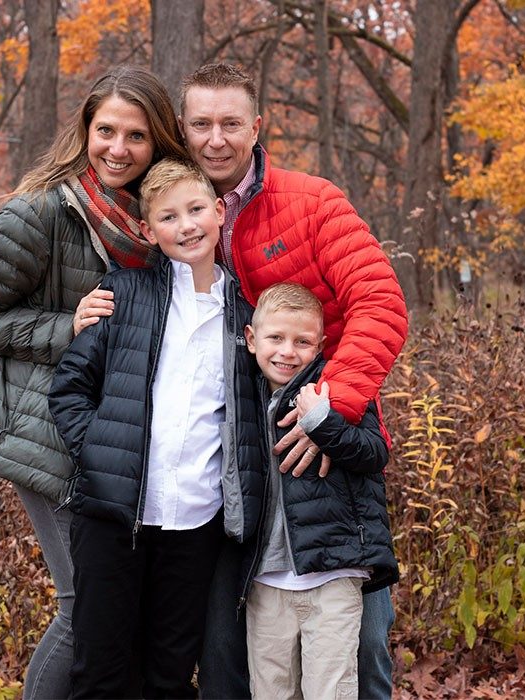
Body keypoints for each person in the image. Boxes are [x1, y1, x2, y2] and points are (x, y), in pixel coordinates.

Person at [74, 63, 408, 699]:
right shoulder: (167, 209)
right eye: (201, 123)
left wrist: (328, 410)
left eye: (232, 123)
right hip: (227, 469)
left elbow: (381, 303)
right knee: (224, 644)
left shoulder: (311, 203)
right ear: (183, 129)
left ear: (257, 127)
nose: (216, 138)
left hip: (326, 449)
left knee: (357, 641)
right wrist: (67, 320)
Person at [0, 66, 188, 699]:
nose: (117, 149)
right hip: (42, 430)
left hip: (113, 439)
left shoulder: (159, 219)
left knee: (119, 616)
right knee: (87, 612)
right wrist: (65, 326)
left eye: (136, 136)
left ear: (157, 142)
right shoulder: (42, 211)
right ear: (85, 130)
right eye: (106, 130)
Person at [47, 158, 263, 698]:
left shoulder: (246, 315)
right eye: (168, 217)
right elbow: (69, 387)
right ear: (149, 230)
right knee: (99, 670)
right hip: (113, 516)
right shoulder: (123, 294)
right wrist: (98, 455)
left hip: (195, 524)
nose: (186, 225)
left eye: (195, 210)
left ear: (218, 213)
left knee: (168, 674)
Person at [241, 282, 399, 700]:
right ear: (252, 338)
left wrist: (323, 423)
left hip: (332, 575)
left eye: (302, 342)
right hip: (267, 578)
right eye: (275, 338)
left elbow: (373, 453)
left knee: (330, 689)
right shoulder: (244, 395)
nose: (287, 352)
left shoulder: (335, 390)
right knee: (271, 691)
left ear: (321, 345)